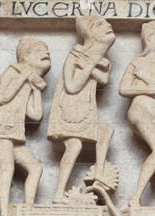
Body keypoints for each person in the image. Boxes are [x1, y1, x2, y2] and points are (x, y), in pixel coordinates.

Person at [0, 38, 51, 216]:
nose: (46, 52)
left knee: (36, 168)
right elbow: (2, 97)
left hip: (15, 131)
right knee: (7, 167)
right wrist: (24, 77)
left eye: (47, 50)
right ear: (26, 57)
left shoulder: (29, 79)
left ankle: (28, 212)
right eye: (39, 50)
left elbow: (35, 115)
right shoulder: (14, 71)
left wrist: (35, 89)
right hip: (1, 126)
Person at [48, 16, 115, 203]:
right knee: (74, 145)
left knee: (106, 131)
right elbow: (72, 86)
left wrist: (93, 64)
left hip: (86, 107)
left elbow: (104, 79)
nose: (109, 25)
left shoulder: (98, 59)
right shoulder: (75, 55)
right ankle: (58, 193)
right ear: (89, 33)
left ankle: (99, 176)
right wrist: (91, 65)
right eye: (101, 25)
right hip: (70, 106)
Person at [119, 21, 155, 209]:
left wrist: (147, 82)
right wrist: (151, 88)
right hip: (139, 111)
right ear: (149, 39)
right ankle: (136, 197)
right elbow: (123, 89)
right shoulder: (138, 63)